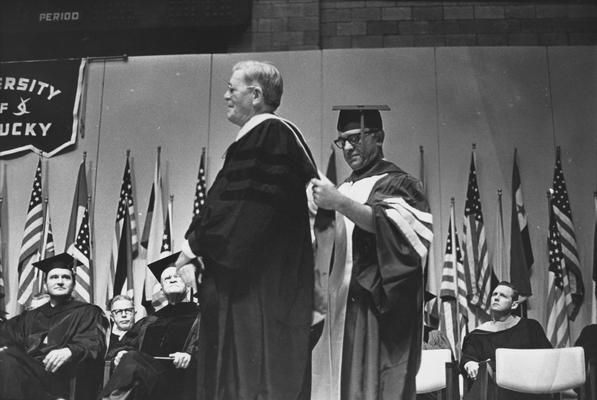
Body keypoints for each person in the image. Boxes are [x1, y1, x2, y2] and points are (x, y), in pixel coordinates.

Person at [174, 60, 318, 400]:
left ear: (255, 95)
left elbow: (243, 212)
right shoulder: (265, 137)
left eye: (231, 88)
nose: (225, 96)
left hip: (256, 291)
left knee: (250, 381)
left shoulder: (270, 134)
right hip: (256, 286)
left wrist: (192, 250)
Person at [310, 106, 433, 400]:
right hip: (338, 303)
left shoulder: (398, 182)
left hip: (372, 306)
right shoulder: (344, 187)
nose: (348, 147)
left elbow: (396, 232)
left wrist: (338, 202)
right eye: (342, 141)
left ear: (379, 137)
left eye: (356, 137)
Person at [0, 253, 108, 400]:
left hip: (61, 375)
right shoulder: (30, 316)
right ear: (45, 285)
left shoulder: (88, 312)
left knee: (9, 362)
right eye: (54, 277)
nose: (60, 281)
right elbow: (6, 334)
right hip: (28, 371)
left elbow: (95, 343)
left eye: (66, 277)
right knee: (7, 357)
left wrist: (71, 350)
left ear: (74, 284)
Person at [101, 252, 200, 400]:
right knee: (131, 357)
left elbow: (209, 348)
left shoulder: (200, 316)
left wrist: (189, 355)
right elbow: (122, 345)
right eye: (167, 278)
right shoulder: (149, 321)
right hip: (148, 383)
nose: (172, 279)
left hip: (183, 382)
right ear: (161, 288)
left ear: (187, 283)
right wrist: (119, 354)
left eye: (177, 276)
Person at [460, 281, 552, 400]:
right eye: (494, 294)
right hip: (494, 390)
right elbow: (468, 356)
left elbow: (547, 356)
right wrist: (470, 363)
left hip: (529, 388)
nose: (496, 298)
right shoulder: (477, 334)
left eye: (502, 295)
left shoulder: (530, 327)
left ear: (514, 305)